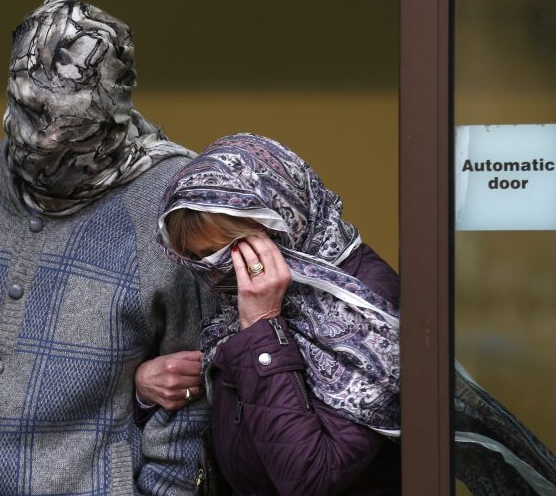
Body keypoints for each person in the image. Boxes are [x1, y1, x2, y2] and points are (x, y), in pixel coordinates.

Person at [0, 0, 216, 495]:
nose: (36, 136)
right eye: (23, 106)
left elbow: (190, 407)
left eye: (61, 119)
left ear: (108, 117)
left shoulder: (167, 207)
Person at [148, 133, 556, 495]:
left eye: (233, 251)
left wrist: (261, 328)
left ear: (287, 222)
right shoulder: (240, 297)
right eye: (199, 258)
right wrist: (146, 386)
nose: (218, 271)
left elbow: (311, 476)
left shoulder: (367, 313)